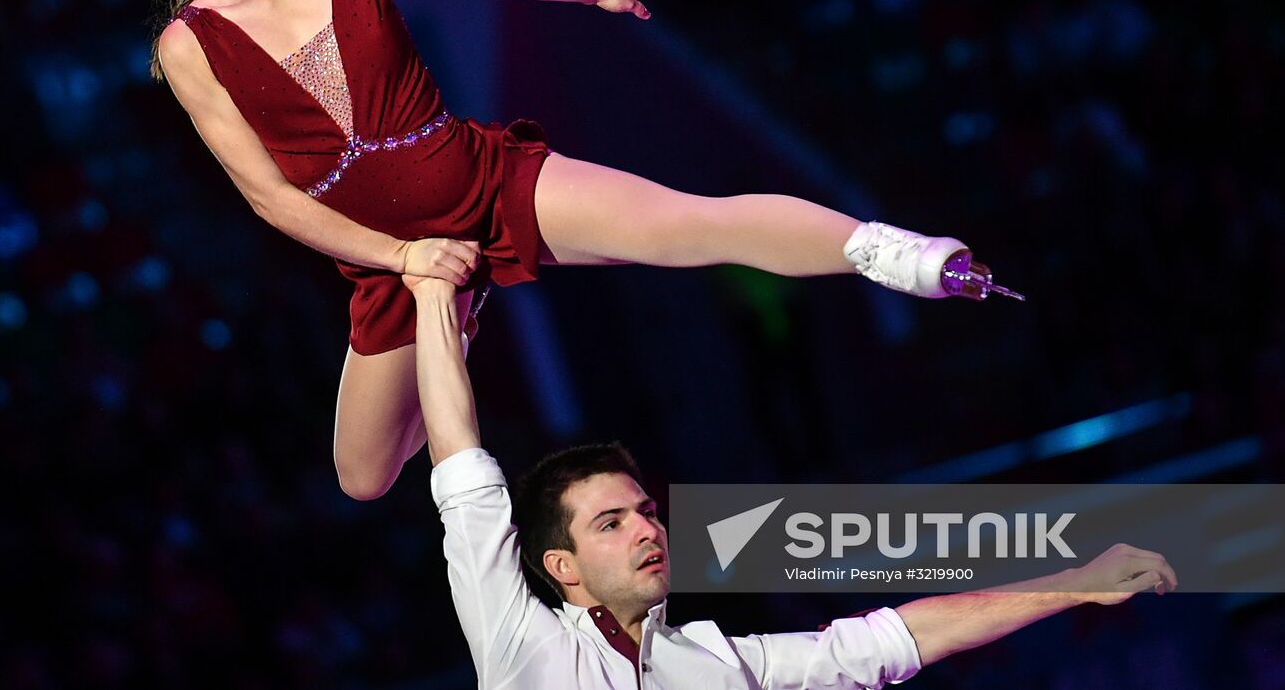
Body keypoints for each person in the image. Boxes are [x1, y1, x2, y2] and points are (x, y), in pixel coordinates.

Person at [153, 0, 1019, 503]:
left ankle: (893, 252)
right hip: (391, 260)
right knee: (364, 475)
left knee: (689, 226)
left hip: (481, 181)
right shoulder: (191, 44)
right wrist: (409, 260)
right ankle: (464, 304)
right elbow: (270, 197)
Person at [407, 274, 1177, 688]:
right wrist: (433, 293)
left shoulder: (716, 664)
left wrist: (1075, 581)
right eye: (610, 523)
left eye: (644, 510)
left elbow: (895, 640)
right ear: (563, 571)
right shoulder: (521, 649)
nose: (647, 527)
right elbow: (464, 478)